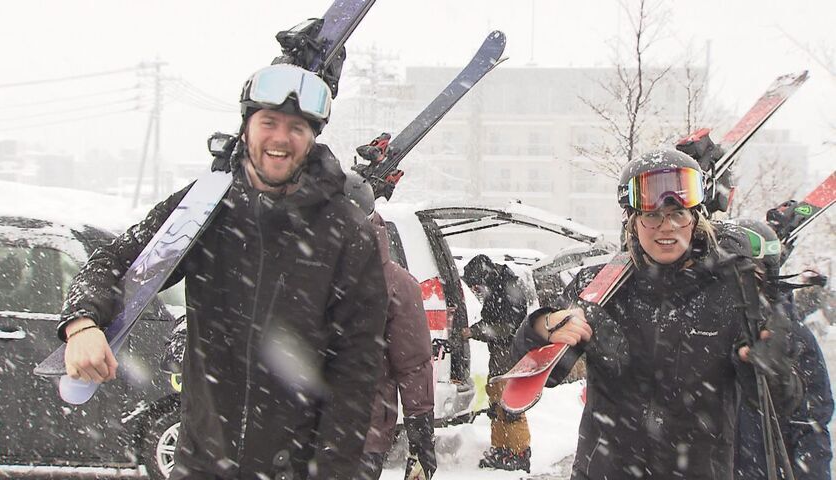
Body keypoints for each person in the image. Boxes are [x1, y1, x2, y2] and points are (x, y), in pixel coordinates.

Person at [58, 64, 388, 479]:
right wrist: (82, 323)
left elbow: (356, 372)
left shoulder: (346, 230)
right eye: (268, 122)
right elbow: (117, 259)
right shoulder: (206, 207)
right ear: (247, 127)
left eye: (297, 128)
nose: (281, 138)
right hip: (202, 463)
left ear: (312, 137)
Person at [511, 149, 801, 479]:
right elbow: (539, 372)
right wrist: (541, 328)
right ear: (632, 220)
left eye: (679, 214)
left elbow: (779, 402)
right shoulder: (601, 287)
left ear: (696, 216)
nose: (667, 227)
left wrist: (772, 370)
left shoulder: (735, 290)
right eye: (652, 216)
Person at [343, 172, 437, 480]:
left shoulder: (396, 284)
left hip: (363, 437)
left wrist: (421, 440)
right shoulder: (301, 273)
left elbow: (413, 365)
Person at [732, 219, 833, 480]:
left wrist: (780, 385)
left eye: (750, 276)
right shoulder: (706, 333)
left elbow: (812, 429)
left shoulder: (791, 336)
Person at [461, 254, 531, 472]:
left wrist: (474, 331)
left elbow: (506, 327)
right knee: (496, 403)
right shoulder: (496, 286)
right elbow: (492, 319)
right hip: (499, 354)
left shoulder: (508, 288)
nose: (475, 291)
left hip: (510, 355)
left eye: (475, 285)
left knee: (511, 405)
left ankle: (519, 452)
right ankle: (501, 448)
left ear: (485, 275)